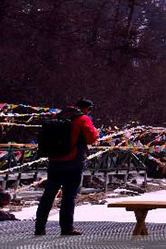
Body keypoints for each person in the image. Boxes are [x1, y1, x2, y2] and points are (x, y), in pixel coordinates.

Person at [35, 99, 99, 236]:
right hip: (73, 161)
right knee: (68, 197)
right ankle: (66, 228)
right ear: (87, 109)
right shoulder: (83, 119)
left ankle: (39, 227)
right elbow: (91, 138)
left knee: (48, 195)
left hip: (54, 160)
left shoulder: (57, 116)